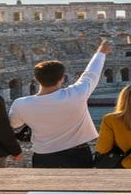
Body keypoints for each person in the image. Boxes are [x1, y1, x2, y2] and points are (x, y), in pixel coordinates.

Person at [9, 39, 111, 168]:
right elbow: (91, 74)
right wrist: (100, 53)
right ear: (62, 79)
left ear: (36, 79)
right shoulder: (76, 94)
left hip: (44, 155)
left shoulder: (21, 104)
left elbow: (14, 124)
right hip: (78, 153)